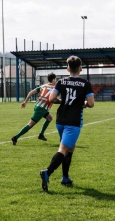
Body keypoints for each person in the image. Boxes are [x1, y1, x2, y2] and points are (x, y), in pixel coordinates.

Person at [40, 56, 94, 192]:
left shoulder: (61, 82)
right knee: (63, 149)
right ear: (80, 68)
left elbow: (52, 99)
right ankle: (47, 172)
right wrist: (84, 103)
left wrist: (63, 101)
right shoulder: (85, 83)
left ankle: (65, 177)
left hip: (60, 120)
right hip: (73, 121)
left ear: (68, 68)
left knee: (71, 148)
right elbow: (91, 103)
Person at [11, 73, 57, 145]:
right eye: (55, 79)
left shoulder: (43, 86)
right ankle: (15, 137)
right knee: (30, 125)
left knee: (50, 118)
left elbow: (31, 92)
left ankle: (41, 135)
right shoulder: (54, 88)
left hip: (38, 106)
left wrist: (25, 102)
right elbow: (54, 99)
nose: (56, 80)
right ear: (53, 79)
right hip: (42, 109)